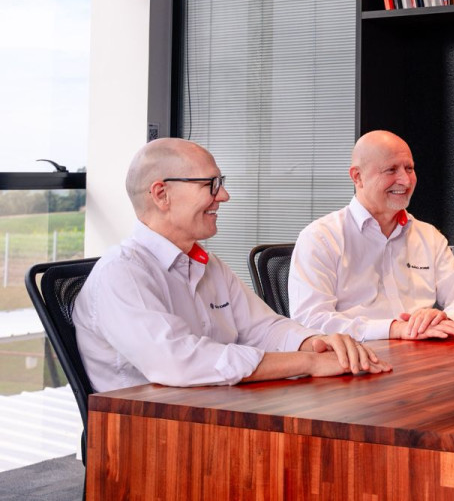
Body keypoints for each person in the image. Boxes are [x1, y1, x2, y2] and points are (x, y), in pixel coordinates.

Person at [74, 139, 390, 393]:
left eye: (221, 183)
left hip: (216, 415)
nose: (223, 196)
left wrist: (315, 343)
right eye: (210, 184)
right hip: (150, 436)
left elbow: (263, 328)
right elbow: (179, 362)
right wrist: (308, 363)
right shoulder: (122, 273)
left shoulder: (208, 265)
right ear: (161, 194)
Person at [289, 130, 454, 341]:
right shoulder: (320, 238)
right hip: (357, 357)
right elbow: (310, 320)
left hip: (422, 353)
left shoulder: (428, 236)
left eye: (409, 168)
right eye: (391, 170)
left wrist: (443, 318)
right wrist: (393, 329)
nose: (405, 181)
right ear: (358, 177)